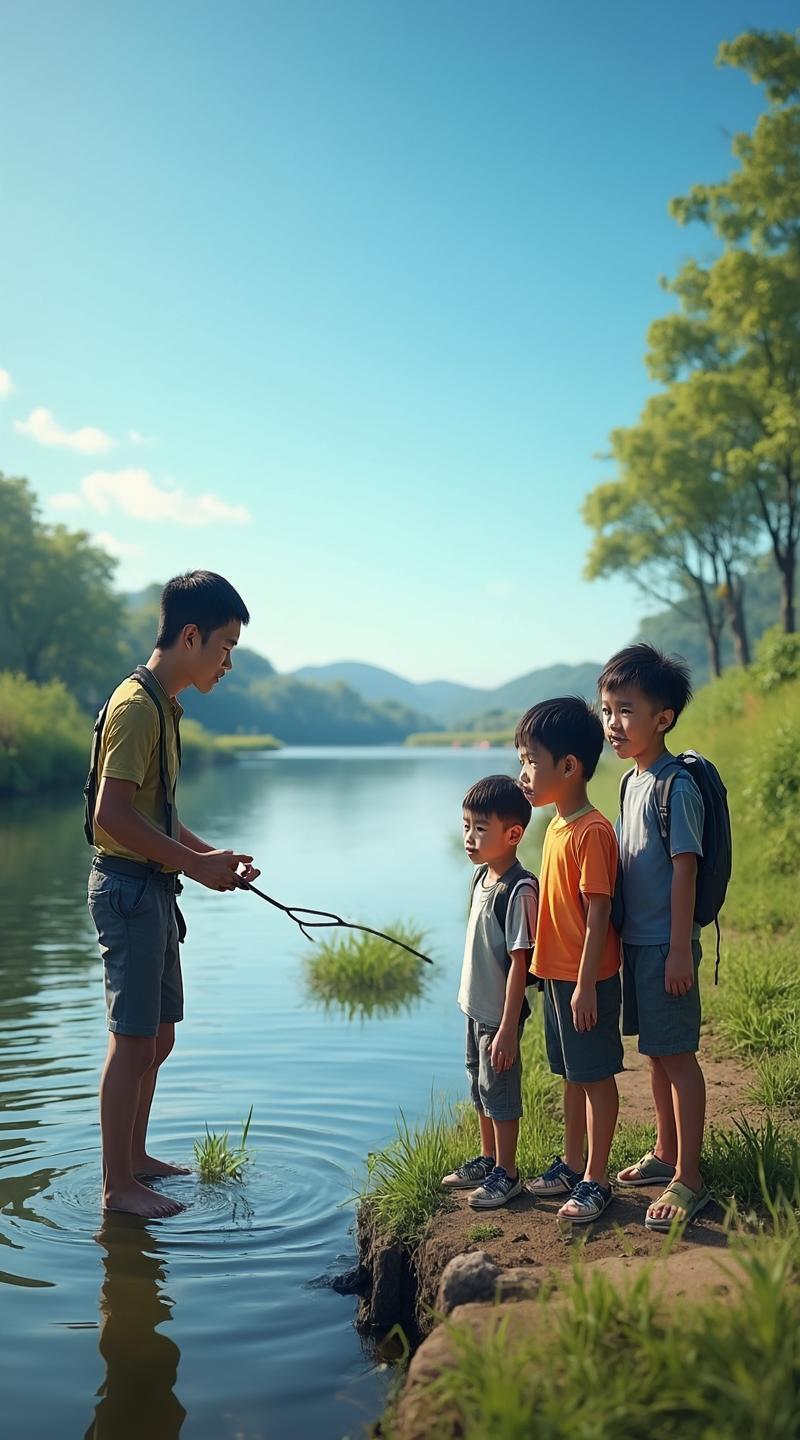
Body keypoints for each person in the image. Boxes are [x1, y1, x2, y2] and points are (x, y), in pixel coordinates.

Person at [87, 570, 260, 1219]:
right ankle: (116, 1189)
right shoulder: (136, 706)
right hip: (128, 890)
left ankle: (134, 1160)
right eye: (225, 646)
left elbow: (151, 812)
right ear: (191, 635)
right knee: (131, 1041)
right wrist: (193, 865)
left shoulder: (164, 704)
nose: (228, 662)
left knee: (157, 1037)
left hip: (152, 887)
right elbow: (112, 816)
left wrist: (206, 857)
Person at [599, 643, 710, 1229]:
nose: (612, 723)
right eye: (607, 709)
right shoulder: (630, 783)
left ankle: (690, 1176)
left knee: (677, 1055)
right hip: (638, 944)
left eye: (625, 710)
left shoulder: (675, 786)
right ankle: (666, 1150)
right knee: (654, 1055)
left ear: (662, 719)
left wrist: (675, 949)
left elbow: (684, 868)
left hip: (667, 944)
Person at [517, 697, 622, 1224]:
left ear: (568, 766)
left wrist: (584, 986)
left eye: (531, 761)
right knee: (571, 1074)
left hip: (587, 981)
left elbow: (598, 912)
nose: (523, 774)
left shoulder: (592, 831)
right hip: (557, 976)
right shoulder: (556, 825)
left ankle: (597, 1180)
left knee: (596, 1076)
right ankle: (573, 1163)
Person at [441, 775, 538, 1209]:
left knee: (499, 1092)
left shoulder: (518, 889)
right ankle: (488, 1157)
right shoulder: (482, 877)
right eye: (466, 827)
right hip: (474, 1008)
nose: (469, 837)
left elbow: (521, 963)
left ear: (513, 834)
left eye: (481, 828)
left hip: (499, 1016)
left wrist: (507, 1029)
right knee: (478, 1086)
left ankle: (508, 1172)